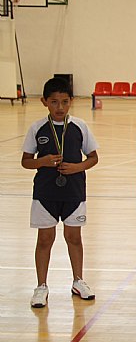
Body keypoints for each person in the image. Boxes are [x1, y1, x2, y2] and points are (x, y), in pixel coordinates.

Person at [21, 77, 99, 308]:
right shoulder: (37, 128)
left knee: (74, 237)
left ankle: (78, 280)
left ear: (71, 102)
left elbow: (93, 157)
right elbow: (26, 162)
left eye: (65, 102)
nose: (60, 107)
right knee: (45, 239)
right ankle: (41, 286)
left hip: (74, 192)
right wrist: (43, 161)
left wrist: (77, 167)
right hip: (45, 193)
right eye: (54, 102)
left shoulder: (80, 126)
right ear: (45, 102)